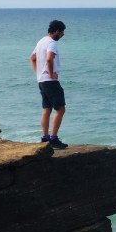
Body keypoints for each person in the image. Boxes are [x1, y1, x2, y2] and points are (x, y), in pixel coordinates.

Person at [30, 19, 68, 149]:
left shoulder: (41, 42)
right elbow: (49, 58)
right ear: (57, 31)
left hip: (41, 80)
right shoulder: (51, 43)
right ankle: (53, 138)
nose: (62, 35)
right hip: (50, 81)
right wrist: (51, 74)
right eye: (62, 33)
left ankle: (45, 138)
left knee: (47, 109)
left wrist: (38, 73)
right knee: (61, 109)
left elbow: (32, 58)